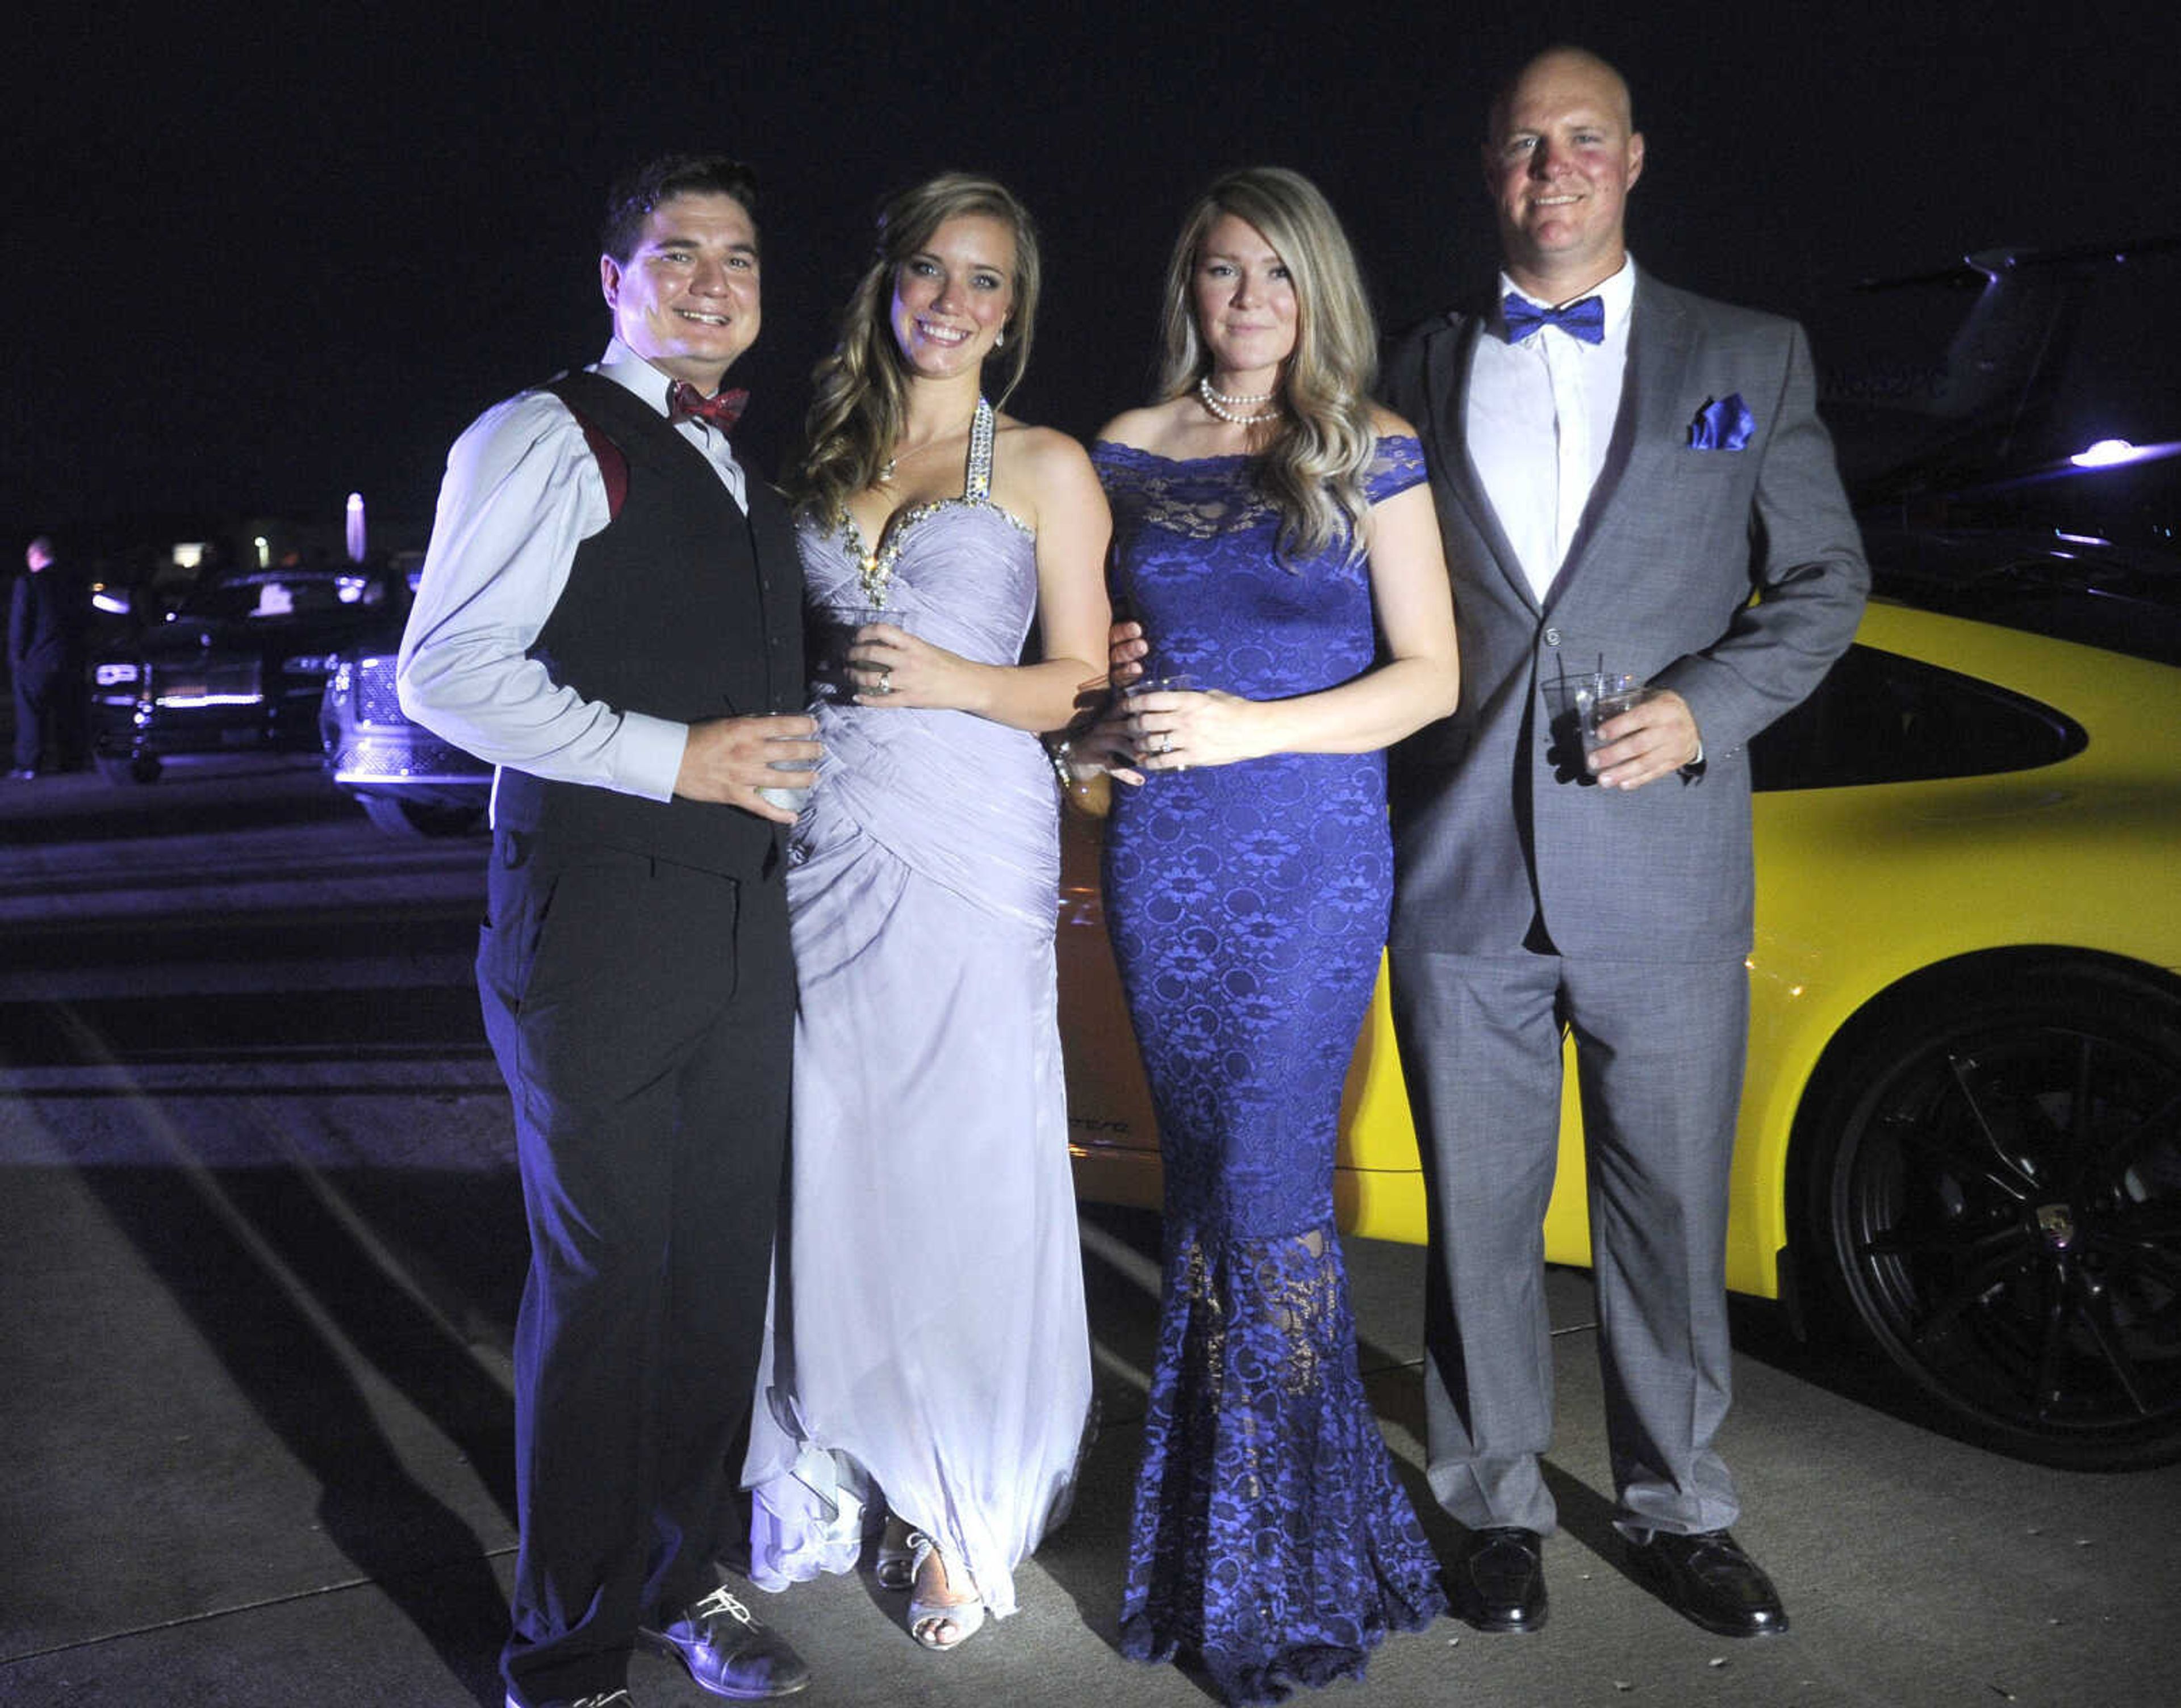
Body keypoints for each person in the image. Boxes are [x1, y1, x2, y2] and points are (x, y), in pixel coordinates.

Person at [1381, 47, 1869, 1641]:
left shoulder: (1754, 355)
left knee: (1663, 1213)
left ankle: (1679, 1509)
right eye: (1525, 145)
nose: (1554, 168)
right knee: (1481, 1222)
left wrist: (1704, 709)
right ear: (1491, 169)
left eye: (1581, 140)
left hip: (1660, 864)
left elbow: (1823, 587)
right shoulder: (1419, 364)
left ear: (1635, 160)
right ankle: (1491, 1504)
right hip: (1463, 876)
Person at [398, 154, 817, 1708]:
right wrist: (678, 756)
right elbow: (445, 675)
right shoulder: (544, 434)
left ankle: (683, 1579)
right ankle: (567, 1643)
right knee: (609, 1284)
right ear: (614, 280)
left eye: (741, 256)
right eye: (677, 253)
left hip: (734, 924)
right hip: (596, 924)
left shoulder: (737, 473)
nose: (713, 279)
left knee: (715, 1283)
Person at [1085, 166, 1459, 1705]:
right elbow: (1087, 675)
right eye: (1224, 273)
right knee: (1207, 1198)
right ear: (1192, 287)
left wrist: (1248, 727)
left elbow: (1431, 676)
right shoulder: (1115, 453)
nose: (1249, 302)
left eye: (1278, 277)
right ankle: (1235, 1546)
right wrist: (1098, 712)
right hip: (1166, 865)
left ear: (1320, 295)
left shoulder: (1372, 449)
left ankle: (1271, 1572)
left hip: (1311, 859)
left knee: (1268, 1191)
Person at [740, 173, 1108, 1653]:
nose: (953, 302)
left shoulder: (1045, 465)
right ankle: (834, 1460)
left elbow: (1084, 678)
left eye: (985, 282)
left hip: (973, 845)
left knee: (964, 1169)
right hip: (828, 850)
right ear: (888, 284)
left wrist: (957, 682)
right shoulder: (824, 457)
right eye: (930, 273)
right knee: (833, 1157)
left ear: (1013, 314)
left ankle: (964, 1497)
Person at [9, 536, 89, 778]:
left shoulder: (29, 583)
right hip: (69, 658)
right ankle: (71, 761)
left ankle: (30, 764)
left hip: (37, 661)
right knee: (67, 712)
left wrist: (16, 659)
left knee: (32, 713)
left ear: (35, 556)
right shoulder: (73, 583)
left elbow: (20, 624)